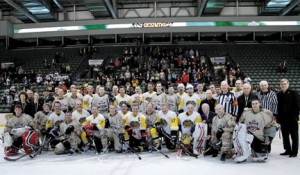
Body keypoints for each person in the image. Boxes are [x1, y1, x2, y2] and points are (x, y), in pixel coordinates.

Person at [277, 79, 300, 157]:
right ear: (280, 85)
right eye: (282, 84)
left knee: (294, 136)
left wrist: (295, 116)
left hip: (292, 118)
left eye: (285, 83)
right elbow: (279, 107)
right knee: (285, 135)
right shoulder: (279, 94)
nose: (283, 85)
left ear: (288, 84)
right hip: (283, 119)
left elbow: (298, 105)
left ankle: (294, 152)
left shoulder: (294, 93)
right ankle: (287, 150)